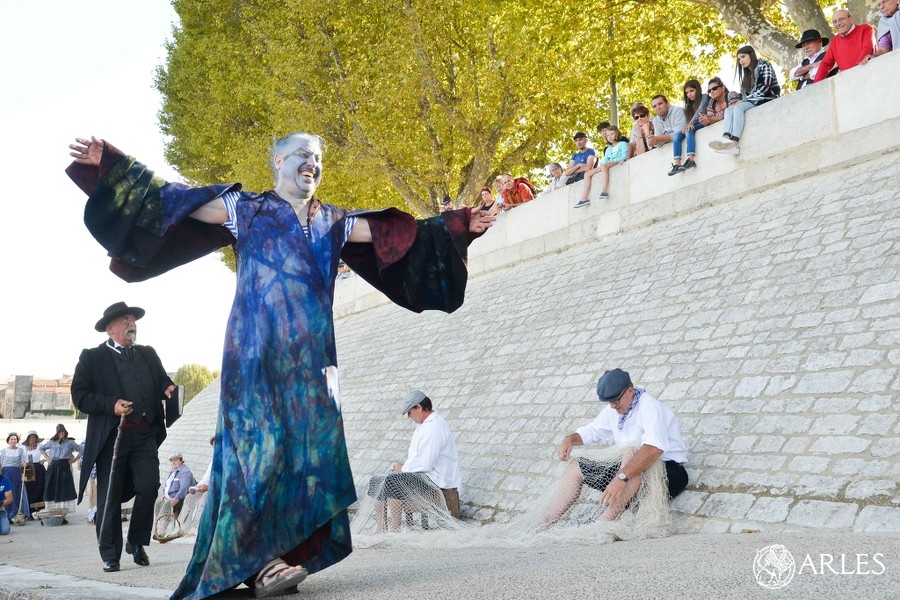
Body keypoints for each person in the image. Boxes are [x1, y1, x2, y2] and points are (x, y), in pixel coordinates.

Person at [66, 133, 492, 599]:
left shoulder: (334, 221)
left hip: (314, 364)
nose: (312, 164)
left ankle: (281, 554)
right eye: (303, 156)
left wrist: (460, 224)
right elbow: (173, 202)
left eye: (319, 158)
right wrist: (111, 165)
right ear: (278, 161)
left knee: (308, 458)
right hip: (254, 358)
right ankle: (262, 561)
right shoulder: (246, 209)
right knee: (258, 455)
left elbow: (401, 237)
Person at [70, 302, 176, 574]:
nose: (132, 323)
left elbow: (162, 379)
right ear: (110, 328)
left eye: (133, 319)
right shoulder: (92, 357)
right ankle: (110, 554)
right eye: (126, 320)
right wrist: (111, 405)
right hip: (112, 438)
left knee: (150, 485)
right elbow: (80, 396)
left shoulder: (148, 353)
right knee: (109, 495)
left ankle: (137, 541)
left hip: (145, 433)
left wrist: (168, 388)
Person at [540, 369, 689, 527]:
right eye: (609, 402)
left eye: (615, 401)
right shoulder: (615, 409)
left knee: (631, 452)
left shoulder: (650, 407)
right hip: (628, 472)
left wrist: (620, 478)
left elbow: (653, 449)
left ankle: (602, 524)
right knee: (576, 467)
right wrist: (569, 439)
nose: (612, 406)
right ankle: (544, 524)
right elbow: (592, 431)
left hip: (669, 474)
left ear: (630, 392)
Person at [366, 390, 460, 533]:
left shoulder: (436, 426)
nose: (409, 416)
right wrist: (403, 468)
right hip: (422, 474)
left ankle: (395, 529)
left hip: (436, 478)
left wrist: (403, 468)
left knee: (392, 481)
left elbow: (426, 463)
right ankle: (381, 527)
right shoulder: (422, 426)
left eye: (410, 412)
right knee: (376, 480)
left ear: (419, 407)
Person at [709, 46, 780, 155]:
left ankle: (734, 142)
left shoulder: (763, 65)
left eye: (743, 57)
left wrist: (745, 100)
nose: (741, 61)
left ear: (751, 55)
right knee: (729, 110)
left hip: (767, 97)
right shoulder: (746, 76)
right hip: (753, 101)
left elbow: (766, 86)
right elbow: (743, 95)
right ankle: (726, 137)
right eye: (739, 59)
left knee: (738, 107)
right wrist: (743, 100)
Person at [813, 9, 876, 82]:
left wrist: (849, 73)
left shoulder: (865, 29)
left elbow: (868, 49)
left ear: (851, 19)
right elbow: (825, 64)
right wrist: (815, 84)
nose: (838, 24)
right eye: (835, 22)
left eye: (841, 19)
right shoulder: (835, 41)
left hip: (869, 77)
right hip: (848, 83)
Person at [573, 126, 629, 208]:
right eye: (608, 135)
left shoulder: (622, 144)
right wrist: (603, 164)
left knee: (604, 166)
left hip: (617, 161)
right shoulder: (609, 149)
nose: (609, 137)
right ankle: (584, 199)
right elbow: (605, 159)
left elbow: (624, 156)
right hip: (607, 164)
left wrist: (607, 164)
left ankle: (604, 191)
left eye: (612, 134)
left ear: (617, 134)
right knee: (587, 173)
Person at [38, 425, 81, 515]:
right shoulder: (52, 442)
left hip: (64, 466)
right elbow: (41, 448)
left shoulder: (70, 442)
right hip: (53, 466)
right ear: (57, 433)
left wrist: (75, 459)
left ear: (65, 432)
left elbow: (82, 449)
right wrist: (47, 458)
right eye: (59, 432)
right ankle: (52, 509)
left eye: (63, 432)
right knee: (52, 486)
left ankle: (64, 510)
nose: (61, 433)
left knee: (64, 487)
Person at [669, 80, 709, 175]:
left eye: (691, 91)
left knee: (689, 130)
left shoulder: (704, 97)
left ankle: (691, 159)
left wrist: (689, 124)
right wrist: (686, 126)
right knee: (676, 136)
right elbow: (688, 120)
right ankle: (677, 164)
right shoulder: (689, 106)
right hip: (693, 125)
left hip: (704, 122)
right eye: (687, 93)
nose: (689, 94)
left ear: (697, 89)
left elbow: (701, 110)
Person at [1, 433, 28, 522]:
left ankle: (15, 514)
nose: (13, 441)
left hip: (16, 473)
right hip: (6, 473)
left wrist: (24, 464)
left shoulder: (21, 451)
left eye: (15, 439)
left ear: (17, 441)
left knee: (16, 493)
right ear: (8, 441)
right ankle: (7, 515)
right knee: (6, 493)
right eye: (11, 439)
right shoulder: (3, 451)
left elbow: (23, 462)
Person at [160, 452, 194, 518]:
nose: (173, 462)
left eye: (175, 460)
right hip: (170, 499)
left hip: (180, 501)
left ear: (181, 460)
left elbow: (184, 487)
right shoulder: (173, 470)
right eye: (171, 461)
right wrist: (164, 494)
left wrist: (177, 498)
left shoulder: (185, 472)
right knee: (164, 519)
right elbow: (167, 484)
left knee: (167, 520)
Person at [21, 431, 46, 519]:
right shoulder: (23, 448)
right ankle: (30, 512)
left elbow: (49, 453)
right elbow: (20, 458)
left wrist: (44, 460)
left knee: (40, 489)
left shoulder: (40, 446)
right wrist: (23, 463)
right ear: (28, 439)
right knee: (29, 490)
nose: (32, 439)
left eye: (34, 437)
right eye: (30, 437)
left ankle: (40, 510)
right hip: (28, 470)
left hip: (39, 469)